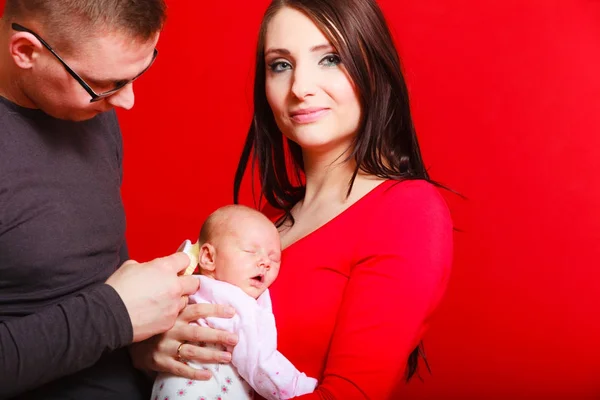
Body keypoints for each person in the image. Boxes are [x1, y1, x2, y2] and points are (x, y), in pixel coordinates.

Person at [134, 0, 453, 398]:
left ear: (375, 69)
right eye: (280, 65)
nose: (300, 87)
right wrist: (152, 353)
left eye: (330, 58)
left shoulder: (407, 212)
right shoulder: (266, 221)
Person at [0, 1, 235, 399]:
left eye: (137, 74)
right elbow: (109, 310)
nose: (127, 102)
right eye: (105, 83)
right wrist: (114, 317)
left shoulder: (89, 110)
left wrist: (143, 340)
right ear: (25, 51)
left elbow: (102, 275)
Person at [152, 205, 317, 400]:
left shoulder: (193, 288)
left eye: (274, 258)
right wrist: (300, 387)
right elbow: (258, 361)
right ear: (208, 257)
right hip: (203, 390)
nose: (265, 262)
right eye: (250, 251)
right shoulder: (234, 302)